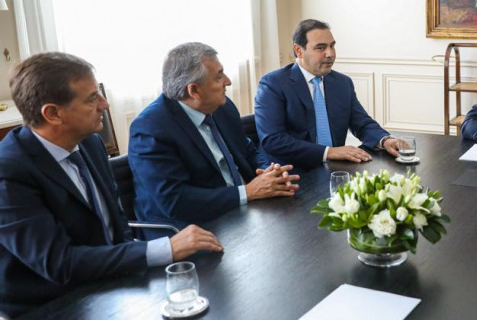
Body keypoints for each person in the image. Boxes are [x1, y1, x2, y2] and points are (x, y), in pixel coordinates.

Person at [0, 53, 223, 317]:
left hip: (110, 285)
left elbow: (117, 223)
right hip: (50, 305)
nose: (105, 104)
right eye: (92, 98)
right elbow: (59, 263)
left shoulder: (90, 144)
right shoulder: (9, 171)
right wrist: (164, 249)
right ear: (53, 114)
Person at [129, 43, 299, 233]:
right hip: (189, 229)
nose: (228, 81)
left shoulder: (222, 107)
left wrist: (269, 171)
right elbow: (175, 201)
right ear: (194, 91)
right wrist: (248, 192)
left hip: (242, 211)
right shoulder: (150, 128)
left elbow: (248, 151)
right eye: (219, 77)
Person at [254, 19, 407, 170]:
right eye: (320, 48)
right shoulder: (273, 84)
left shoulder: (342, 83)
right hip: (291, 172)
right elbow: (273, 140)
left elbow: (362, 123)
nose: (330, 54)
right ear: (299, 50)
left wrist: (385, 140)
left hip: (335, 169)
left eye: (332, 46)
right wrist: (329, 152)